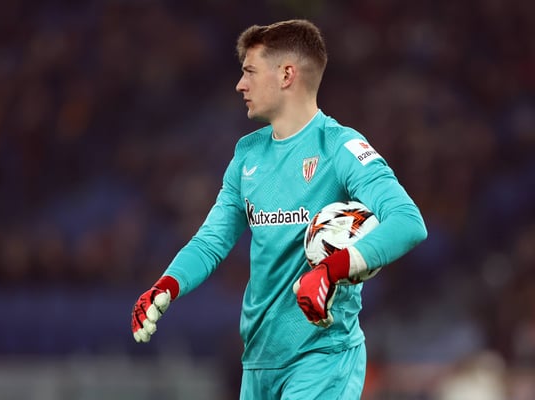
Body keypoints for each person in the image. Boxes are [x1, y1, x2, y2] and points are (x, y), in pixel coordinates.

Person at [131, 19, 427, 399]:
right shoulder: (247, 155)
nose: (240, 84)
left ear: (287, 75)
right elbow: (211, 241)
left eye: (250, 71)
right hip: (259, 362)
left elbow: (408, 222)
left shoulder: (340, 147)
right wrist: (167, 284)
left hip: (323, 358)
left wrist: (331, 270)